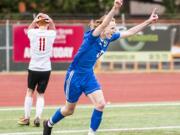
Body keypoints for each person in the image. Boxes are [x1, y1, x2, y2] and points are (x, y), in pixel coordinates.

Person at [43, 0, 158, 134]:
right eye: (112, 27)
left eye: (115, 28)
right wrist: (114, 8)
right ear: (104, 27)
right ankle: (49, 123)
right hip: (75, 76)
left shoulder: (109, 38)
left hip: (88, 75)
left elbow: (130, 32)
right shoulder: (92, 36)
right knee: (69, 110)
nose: (114, 30)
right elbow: (104, 23)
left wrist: (148, 21)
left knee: (101, 104)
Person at [18, 13, 56, 127]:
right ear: (48, 24)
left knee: (30, 91)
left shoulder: (33, 32)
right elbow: (53, 26)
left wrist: (36, 18)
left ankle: (26, 117)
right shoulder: (51, 34)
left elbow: (30, 27)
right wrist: (49, 18)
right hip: (46, 68)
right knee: (41, 94)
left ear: (38, 23)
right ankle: (38, 117)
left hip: (33, 67)